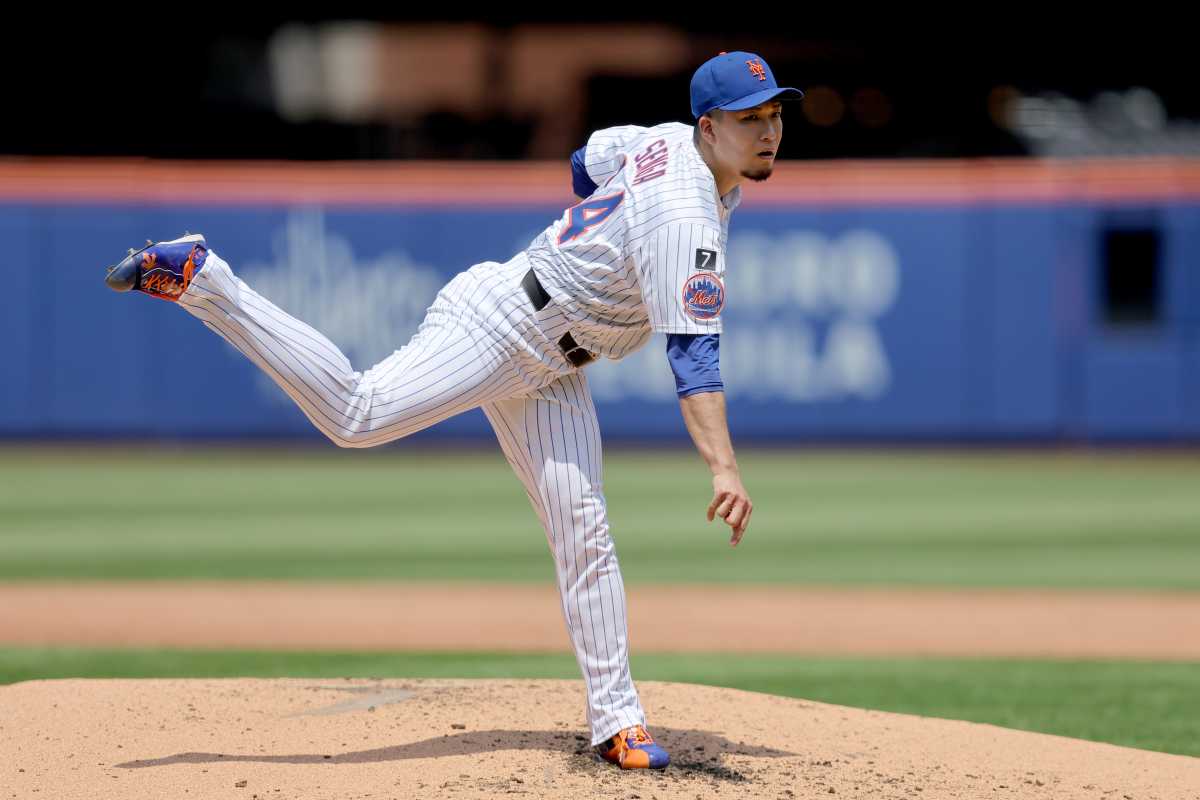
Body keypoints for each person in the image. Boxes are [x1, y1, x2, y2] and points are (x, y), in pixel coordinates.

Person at [103, 50, 801, 770]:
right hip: (504, 323)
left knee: (583, 527)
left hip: (557, 360)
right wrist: (724, 467)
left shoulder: (661, 140)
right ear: (710, 126)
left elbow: (585, 163)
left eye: (777, 113)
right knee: (357, 414)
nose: (770, 130)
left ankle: (618, 723)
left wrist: (595, 238)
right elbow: (692, 358)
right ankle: (202, 277)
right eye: (752, 119)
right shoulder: (685, 211)